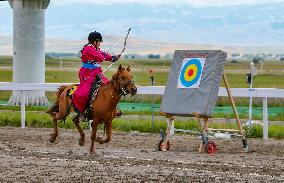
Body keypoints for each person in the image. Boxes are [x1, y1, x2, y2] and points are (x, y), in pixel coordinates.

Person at [72, 31, 121, 118]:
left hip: (96, 72)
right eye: (99, 42)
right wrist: (105, 57)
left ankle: (113, 108)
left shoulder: (95, 48)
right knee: (84, 93)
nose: (99, 44)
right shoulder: (88, 48)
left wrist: (112, 58)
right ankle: (82, 111)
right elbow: (100, 57)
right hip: (87, 73)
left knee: (108, 86)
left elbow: (103, 54)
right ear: (95, 41)